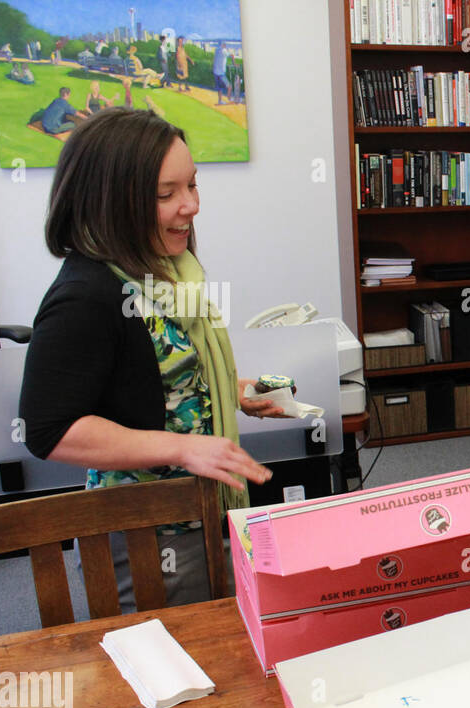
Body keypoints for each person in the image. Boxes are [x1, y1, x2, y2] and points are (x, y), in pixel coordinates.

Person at [19, 108, 282, 609]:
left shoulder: (162, 269)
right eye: (167, 194)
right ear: (112, 200)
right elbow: (48, 430)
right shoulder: (84, 294)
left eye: (193, 185)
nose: (191, 206)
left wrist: (234, 391)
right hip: (148, 528)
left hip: (200, 510)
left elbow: (160, 375)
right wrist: (182, 448)